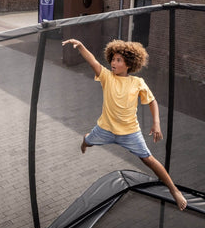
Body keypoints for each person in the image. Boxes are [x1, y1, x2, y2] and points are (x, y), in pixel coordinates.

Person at [62, 38, 187, 211]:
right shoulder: (106, 76)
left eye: (118, 60)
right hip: (105, 129)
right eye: (112, 59)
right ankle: (85, 141)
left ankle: (174, 190)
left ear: (128, 64)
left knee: (149, 160)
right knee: (89, 141)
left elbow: (152, 101)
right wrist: (82, 46)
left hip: (130, 133)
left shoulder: (137, 82)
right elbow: (92, 61)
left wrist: (156, 123)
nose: (113, 62)